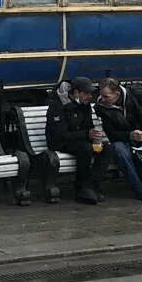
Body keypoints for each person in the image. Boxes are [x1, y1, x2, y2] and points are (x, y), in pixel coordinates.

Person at [46, 76, 103, 205]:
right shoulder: (57, 106)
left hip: (80, 139)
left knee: (106, 148)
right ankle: (81, 187)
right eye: (86, 93)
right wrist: (86, 134)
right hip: (60, 142)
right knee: (85, 149)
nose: (89, 97)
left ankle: (93, 185)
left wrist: (94, 135)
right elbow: (60, 134)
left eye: (90, 93)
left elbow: (88, 125)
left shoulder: (85, 105)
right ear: (76, 93)